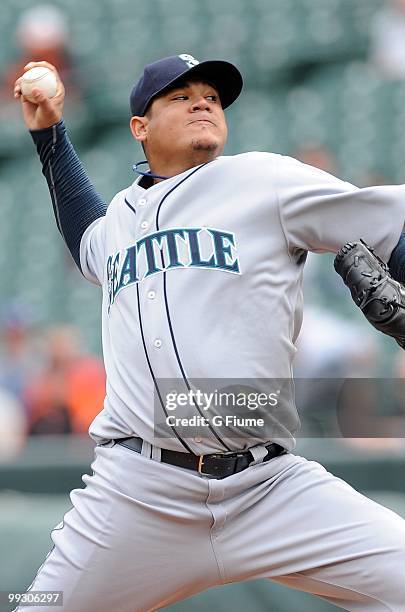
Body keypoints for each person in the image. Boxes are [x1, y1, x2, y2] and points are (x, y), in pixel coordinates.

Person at [13, 53, 405, 611]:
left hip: (268, 487)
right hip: (137, 493)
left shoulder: (264, 179)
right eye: (181, 95)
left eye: (213, 97)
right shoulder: (120, 219)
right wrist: (49, 131)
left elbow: (390, 226)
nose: (203, 101)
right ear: (139, 129)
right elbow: (83, 236)